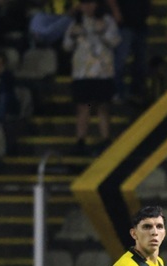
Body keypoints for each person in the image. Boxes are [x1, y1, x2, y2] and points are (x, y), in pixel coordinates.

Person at [62, 0, 120, 155]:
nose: (88, 7)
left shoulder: (107, 20)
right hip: (82, 72)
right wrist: (73, 36)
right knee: (83, 107)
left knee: (103, 106)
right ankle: (81, 140)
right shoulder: (75, 23)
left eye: (91, 3)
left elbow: (115, 41)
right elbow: (66, 46)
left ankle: (106, 138)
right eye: (84, 4)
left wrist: (102, 32)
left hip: (102, 71)